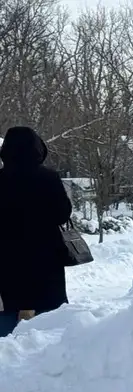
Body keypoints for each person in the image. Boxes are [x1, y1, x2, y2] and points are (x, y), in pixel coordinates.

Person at [0, 126, 74, 337]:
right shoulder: (49, 178)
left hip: (6, 258)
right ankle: (48, 360)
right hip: (46, 257)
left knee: (8, 314)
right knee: (50, 320)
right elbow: (62, 214)